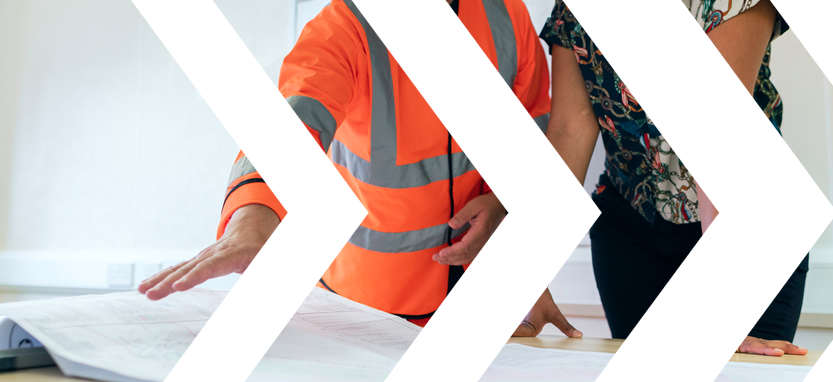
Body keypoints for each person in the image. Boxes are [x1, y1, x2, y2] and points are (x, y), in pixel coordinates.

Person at [138, 0, 583, 338]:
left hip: (476, 308)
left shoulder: (506, 16)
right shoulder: (346, 24)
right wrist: (252, 224)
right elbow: (292, 126)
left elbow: (530, 144)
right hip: (359, 317)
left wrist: (511, 223)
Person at [541, 0, 809, 356]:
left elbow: (719, 131)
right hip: (630, 224)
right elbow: (568, 129)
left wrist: (728, 297)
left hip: (743, 224)